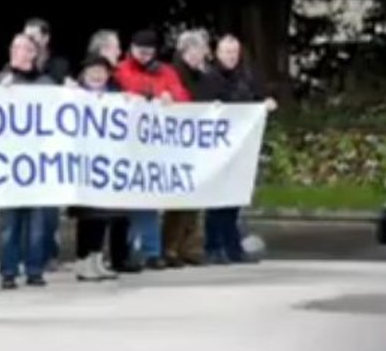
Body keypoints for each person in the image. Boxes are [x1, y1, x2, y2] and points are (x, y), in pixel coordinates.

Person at [113, 29, 191, 271]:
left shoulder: (166, 72)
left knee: (147, 199)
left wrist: (170, 97)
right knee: (127, 203)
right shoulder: (120, 70)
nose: (145, 57)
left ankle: (150, 251)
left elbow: (183, 97)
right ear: (131, 49)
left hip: (154, 147)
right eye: (141, 52)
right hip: (126, 144)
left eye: (149, 52)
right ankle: (130, 250)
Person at [202, 34, 278, 264]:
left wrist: (266, 103)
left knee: (234, 197)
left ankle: (232, 246)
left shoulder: (246, 76)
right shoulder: (209, 77)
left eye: (234, 52)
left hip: (241, 147)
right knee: (217, 199)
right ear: (217, 53)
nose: (231, 56)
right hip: (217, 147)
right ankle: (214, 246)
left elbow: (258, 98)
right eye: (227, 52)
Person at [0, 33, 54, 289]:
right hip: (9, 162)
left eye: (24, 48)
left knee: (37, 222)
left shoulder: (46, 84)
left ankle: (34, 270)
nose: (18, 52)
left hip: (38, 161)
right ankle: (8, 271)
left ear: (33, 53)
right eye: (15, 47)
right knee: (10, 222)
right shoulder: (1, 81)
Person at [86, 29, 139, 274]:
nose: (119, 51)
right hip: (93, 158)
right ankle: (90, 258)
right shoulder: (85, 83)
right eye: (115, 46)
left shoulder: (115, 82)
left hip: (116, 155)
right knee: (94, 214)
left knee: (117, 210)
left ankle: (116, 257)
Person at [23, 18, 73, 271]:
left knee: (49, 204)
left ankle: (48, 253)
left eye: (34, 37)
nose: (30, 42)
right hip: (25, 143)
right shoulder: (18, 66)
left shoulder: (59, 65)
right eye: (26, 37)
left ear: (45, 39)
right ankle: (28, 254)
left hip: (51, 141)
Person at [163, 29, 212, 268]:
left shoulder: (202, 76)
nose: (197, 56)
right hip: (178, 142)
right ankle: (171, 246)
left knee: (196, 195)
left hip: (196, 141)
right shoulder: (173, 73)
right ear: (184, 52)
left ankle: (191, 246)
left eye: (200, 51)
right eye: (193, 51)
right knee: (179, 198)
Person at [71, 55, 119, 282]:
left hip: (106, 165)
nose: (98, 76)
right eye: (93, 71)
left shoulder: (115, 96)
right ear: (84, 74)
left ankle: (96, 259)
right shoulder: (74, 95)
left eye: (102, 72)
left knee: (103, 216)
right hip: (83, 164)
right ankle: (83, 261)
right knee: (87, 216)